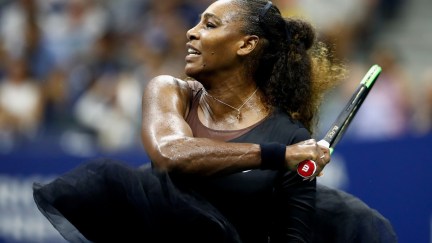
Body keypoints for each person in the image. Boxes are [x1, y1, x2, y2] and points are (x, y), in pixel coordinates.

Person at [33, 0, 397, 242]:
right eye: (197, 23)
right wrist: (277, 156)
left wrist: (288, 157)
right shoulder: (169, 90)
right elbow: (170, 153)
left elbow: (292, 237)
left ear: (246, 45)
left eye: (209, 24)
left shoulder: (291, 136)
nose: (191, 32)